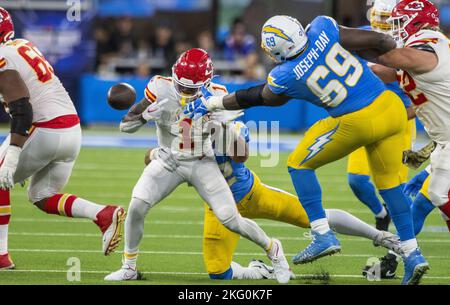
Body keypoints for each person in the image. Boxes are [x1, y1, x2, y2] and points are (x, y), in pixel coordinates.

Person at [183, 14, 427, 284]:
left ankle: (322, 233)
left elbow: (259, 97)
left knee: (298, 164)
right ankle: (413, 254)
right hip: (392, 108)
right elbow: (382, 40)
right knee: (391, 189)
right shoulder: (323, 26)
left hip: (356, 119)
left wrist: (214, 103)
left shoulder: (285, 74)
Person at [104, 48, 291, 283]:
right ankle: (129, 267)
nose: (182, 92)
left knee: (230, 219)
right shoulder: (160, 87)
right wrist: (144, 116)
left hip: (203, 161)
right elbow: (125, 126)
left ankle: (273, 249)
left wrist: (220, 125)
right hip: (168, 160)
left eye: (189, 89)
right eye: (179, 85)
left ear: (206, 83)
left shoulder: (218, 95)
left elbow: (241, 154)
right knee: (137, 205)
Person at [144, 116, 401, 280]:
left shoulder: (226, 127)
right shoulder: (185, 134)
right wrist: (159, 153)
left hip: (251, 194)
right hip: (218, 207)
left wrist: (217, 132)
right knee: (218, 273)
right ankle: (260, 271)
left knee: (312, 216)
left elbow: (240, 154)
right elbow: (151, 157)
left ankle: (381, 236)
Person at [0, 7, 125, 269]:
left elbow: (22, 109)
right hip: (71, 131)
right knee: (42, 196)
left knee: (0, 179)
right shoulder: (22, 45)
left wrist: (13, 154)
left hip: (44, 128)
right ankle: (103, 214)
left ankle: (0, 257)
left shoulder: (2, 57)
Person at [361, 0, 450, 280]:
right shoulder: (419, 52)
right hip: (443, 142)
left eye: (398, 23)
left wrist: (337, 38)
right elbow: (386, 72)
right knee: (421, 204)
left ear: (416, 22)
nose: (394, 29)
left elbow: (390, 61)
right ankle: (399, 259)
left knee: (437, 194)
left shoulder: (429, 43)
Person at [347, 0, 416, 231]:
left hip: (399, 119)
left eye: (390, 18)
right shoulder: (361, 36)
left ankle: (402, 245)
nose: (386, 24)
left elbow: (426, 90)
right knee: (356, 179)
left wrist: (407, 112)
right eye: (383, 18)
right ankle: (380, 213)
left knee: (397, 188)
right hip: (366, 116)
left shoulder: (412, 43)